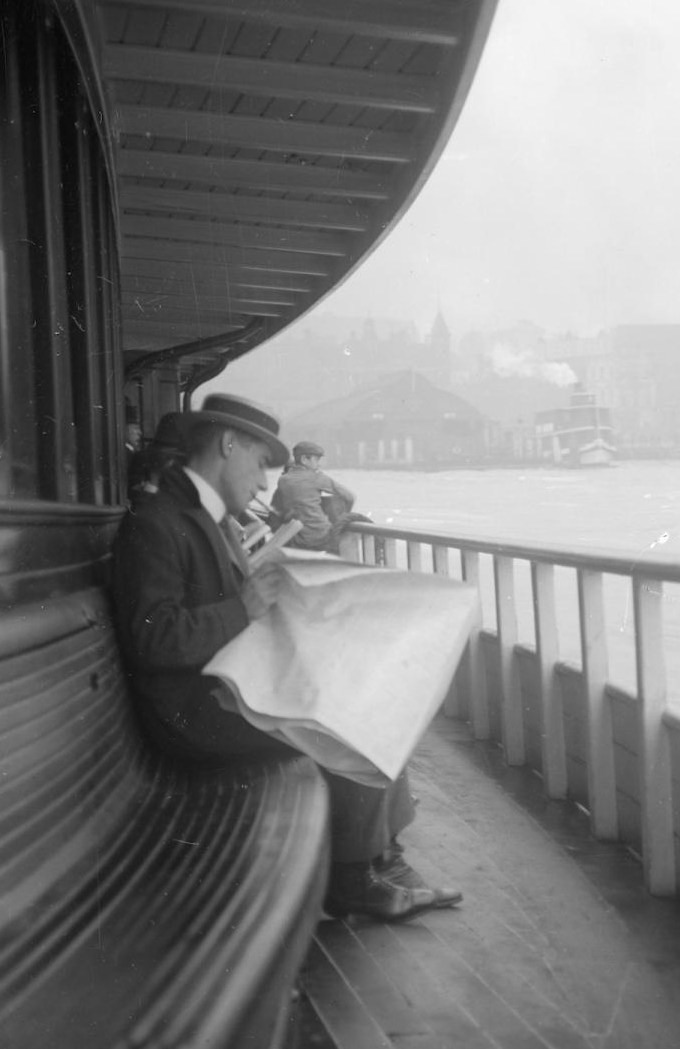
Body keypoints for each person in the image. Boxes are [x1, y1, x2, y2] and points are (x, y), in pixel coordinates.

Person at [111, 393, 461, 921]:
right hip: (190, 713)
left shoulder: (199, 516)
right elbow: (152, 637)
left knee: (357, 686)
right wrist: (244, 607)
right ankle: (353, 879)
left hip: (214, 687)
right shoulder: (160, 523)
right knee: (347, 718)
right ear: (228, 445)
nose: (263, 484)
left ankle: (377, 857)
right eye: (259, 464)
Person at [270, 440, 366, 552]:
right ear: (304, 459)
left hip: (297, 539)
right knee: (335, 501)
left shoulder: (283, 480)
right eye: (316, 459)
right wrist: (342, 518)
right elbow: (350, 497)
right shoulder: (317, 477)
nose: (319, 464)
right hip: (321, 537)